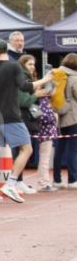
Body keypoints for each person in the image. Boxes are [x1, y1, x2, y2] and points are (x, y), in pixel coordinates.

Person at [0, 38, 52, 204]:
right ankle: (10, 183)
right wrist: (45, 80)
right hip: (10, 115)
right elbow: (26, 86)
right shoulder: (14, 66)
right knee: (27, 149)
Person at [52, 53, 77, 188]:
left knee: (59, 149)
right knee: (73, 150)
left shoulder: (57, 75)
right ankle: (73, 180)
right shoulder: (74, 78)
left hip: (59, 117)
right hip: (73, 117)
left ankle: (57, 180)